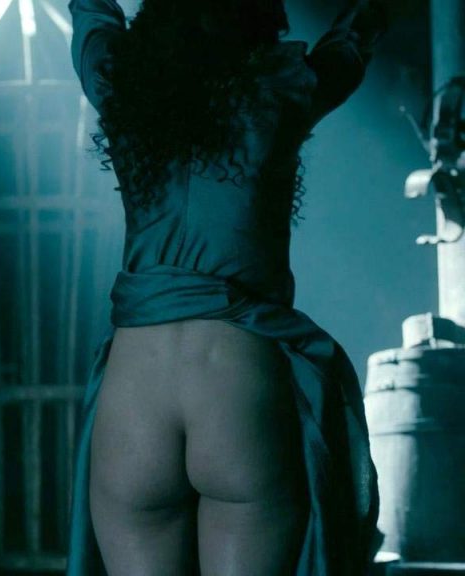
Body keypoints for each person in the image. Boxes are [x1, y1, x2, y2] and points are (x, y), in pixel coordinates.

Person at [67, 0, 389, 574]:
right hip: (237, 391)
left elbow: (92, 13)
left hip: (134, 398)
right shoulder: (282, 86)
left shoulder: (120, 84)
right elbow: (351, 41)